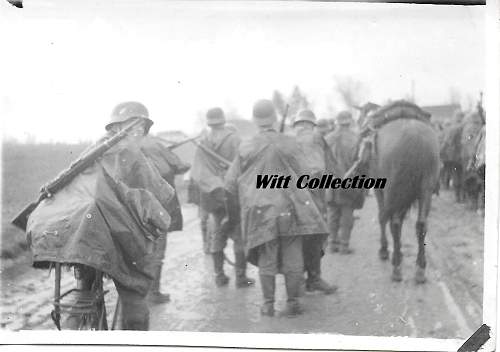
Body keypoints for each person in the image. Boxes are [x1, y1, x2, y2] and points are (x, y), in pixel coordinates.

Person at [27, 101, 175, 330]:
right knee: (135, 295)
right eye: (136, 126)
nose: (138, 132)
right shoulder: (132, 151)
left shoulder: (92, 151)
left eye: (141, 127)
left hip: (76, 229)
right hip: (109, 232)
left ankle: (71, 331)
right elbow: (159, 190)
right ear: (118, 127)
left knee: (83, 290)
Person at [225, 100, 329, 317]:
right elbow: (307, 175)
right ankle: (293, 302)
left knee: (267, 259)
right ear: (274, 117)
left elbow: (230, 182)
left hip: (260, 211)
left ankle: (268, 304)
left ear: (254, 120)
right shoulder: (290, 142)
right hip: (290, 209)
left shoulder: (245, 145)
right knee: (293, 257)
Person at [190, 107, 255, 288]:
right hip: (233, 194)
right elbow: (246, 166)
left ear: (208, 122)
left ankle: (219, 276)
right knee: (239, 237)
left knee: (217, 236)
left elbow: (198, 173)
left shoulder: (204, 142)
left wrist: (214, 185)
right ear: (223, 120)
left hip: (214, 197)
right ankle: (241, 278)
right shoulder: (235, 139)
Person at [140, 134, 191, 303]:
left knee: (140, 252)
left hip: (134, 209)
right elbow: (180, 166)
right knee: (157, 253)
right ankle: (153, 293)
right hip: (158, 207)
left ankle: (140, 292)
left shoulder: (120, 146)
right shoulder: (155, 144)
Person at [293, 109, 337, 294]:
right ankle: (314, 279)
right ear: (312, 124)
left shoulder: (288, 139)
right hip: (313, 194)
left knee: (297, 238)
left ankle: (300, 279)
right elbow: (325, 168)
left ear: (297, 125)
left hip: (291, 197)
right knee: (317, 236)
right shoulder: (317, 138)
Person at [324, 111, 364, 254]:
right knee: (347, 213)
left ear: (337, 122)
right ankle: (344, 245)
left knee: (332, 213)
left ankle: (332, 244)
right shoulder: (356, 139)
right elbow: (361, 164)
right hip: (349, 182)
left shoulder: (327, 138)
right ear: (350, 121)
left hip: (330, 182)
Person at [440, 110, 465, 201]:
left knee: (455, 175)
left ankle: (457, 197)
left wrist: (440, 152)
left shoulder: (453, 128)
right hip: (465, 157)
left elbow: (447, 142)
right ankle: (463, 197)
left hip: (454, 157)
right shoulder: (466, 127)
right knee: (463, 175)